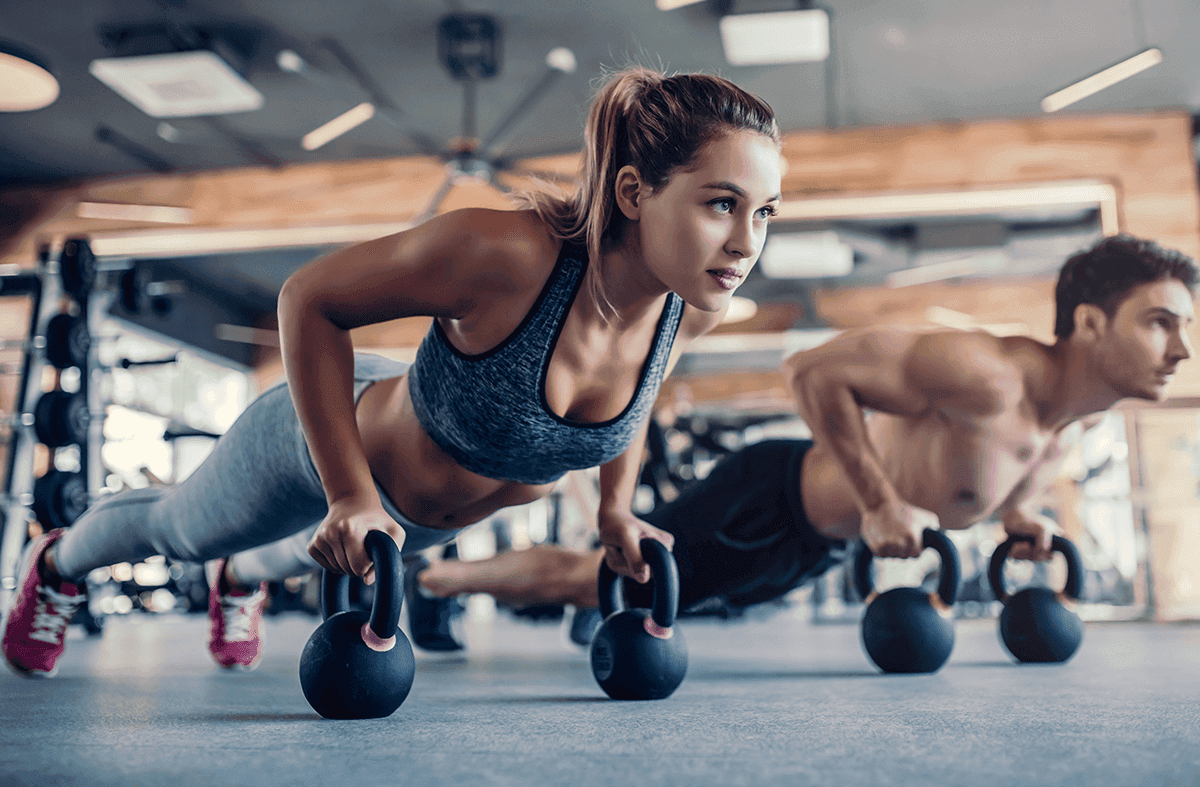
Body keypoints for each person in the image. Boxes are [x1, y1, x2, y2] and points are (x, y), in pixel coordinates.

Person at [1, 66, 784, 676]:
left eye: (765, 212)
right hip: (326, 439)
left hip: (399, 522)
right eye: (723, 203)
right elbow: (309, 298)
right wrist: (348, 492)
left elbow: (634, 404)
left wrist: (615, 509)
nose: (747, 242)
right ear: (633, 192)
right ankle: (58, 563)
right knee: (179, 532)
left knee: (303, 548)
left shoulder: (690, 305)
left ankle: (243, 579)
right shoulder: (505, 256)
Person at [397, 235, 1198, 625]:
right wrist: (880, 500)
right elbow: (812, 371)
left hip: (807, 545)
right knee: (592, 576)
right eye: (1162, 323)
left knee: (628, 594)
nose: (1184, 349)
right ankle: (431, 584)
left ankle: (520, 600)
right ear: (1091, 323)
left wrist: (1020, 519)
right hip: (768, 500)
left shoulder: (1064, 428)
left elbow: (983, 479)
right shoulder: (984, 370)